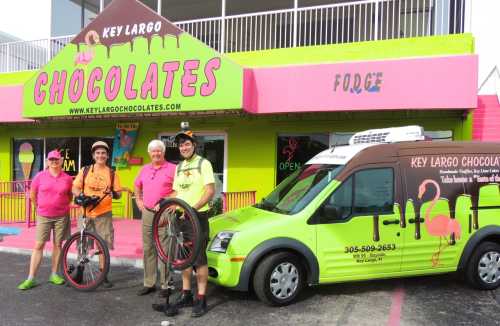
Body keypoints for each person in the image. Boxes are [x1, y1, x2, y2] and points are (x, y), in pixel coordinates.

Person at [170, 122, 215, 318]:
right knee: (184, 258)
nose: (184, 147)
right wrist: (165, 203)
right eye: (181, 145)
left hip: (197, 216)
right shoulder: (179, 166)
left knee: (199, 258)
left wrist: (192, 208)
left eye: (187, 144)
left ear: (194, 144)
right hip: (181, 218)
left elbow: (210, 191)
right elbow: (176, 191)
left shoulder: (203, 163)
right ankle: (186, 293)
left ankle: (202, 297)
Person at [17, 150, 73, 290]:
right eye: (51, 159)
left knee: (58, 244)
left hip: (62, 215)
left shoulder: (67, 178)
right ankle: (31, 278)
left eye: (56, 159)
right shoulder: (40, 176)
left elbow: (70, 196)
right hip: (44, 215)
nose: (54, 162)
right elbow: (33, 194)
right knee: (39, 245)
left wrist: (62, 205)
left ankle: (54, 274)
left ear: (61, 161)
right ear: (47, 161)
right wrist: (39, 207)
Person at [72, 141, 121, 288]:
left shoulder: (112, 173)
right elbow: (75, 187)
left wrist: (114, 193)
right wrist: (81, 195)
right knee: (82, 244)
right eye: (98, 153)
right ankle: (80, 271)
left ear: (107, 156)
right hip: (85, 212)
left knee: (103, 244)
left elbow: (118, 193)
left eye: (103, 153)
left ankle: (102, 273)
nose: (101, 155)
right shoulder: (85, 170)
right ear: (93, 155)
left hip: (104, 213)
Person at [134, 139, 176, 296]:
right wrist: (138, 200)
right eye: (153, 151)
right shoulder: (144, 169)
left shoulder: (173, 168)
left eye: (159, 150)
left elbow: (178, 189)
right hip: (147, 212)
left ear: (163, 152)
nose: (156, 153)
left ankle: (166, 285)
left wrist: (169, 201)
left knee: (165, 249)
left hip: (165, 212)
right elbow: (137, 185)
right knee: (148, 248)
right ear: (149, 153)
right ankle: (149, 283)